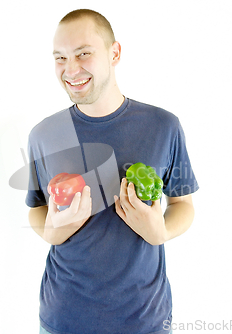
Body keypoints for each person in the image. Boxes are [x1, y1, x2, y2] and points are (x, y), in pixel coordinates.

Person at [26, 9, 199, 334]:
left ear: (114, 53)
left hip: (144, 321)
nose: (70, 69)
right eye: (60, 57)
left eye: (83, 53)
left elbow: (183, 205)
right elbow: (37, 207)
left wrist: (159, 232)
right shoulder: (44, 134)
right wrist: (53, 232)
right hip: (63, 320)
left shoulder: (163, 126)